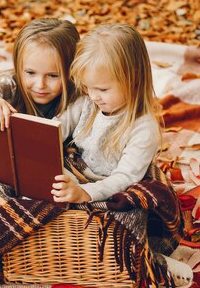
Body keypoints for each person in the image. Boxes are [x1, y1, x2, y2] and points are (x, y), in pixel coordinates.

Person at [51, 23, 162, 204]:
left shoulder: (143, 128)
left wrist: (84, 193)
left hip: (105, 188)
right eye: (87, 87)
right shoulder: (87, 103)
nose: (93, 96)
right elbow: (57, 127)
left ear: (133, 78)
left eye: (102, 89)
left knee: (128, 211)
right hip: (73, 171)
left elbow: (125, 178)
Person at [0, 18, 80, 131]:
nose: (40, 85)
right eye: (30, 72)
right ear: (18, 66)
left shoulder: (80, 95)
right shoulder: (11, 84)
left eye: (53, 75)